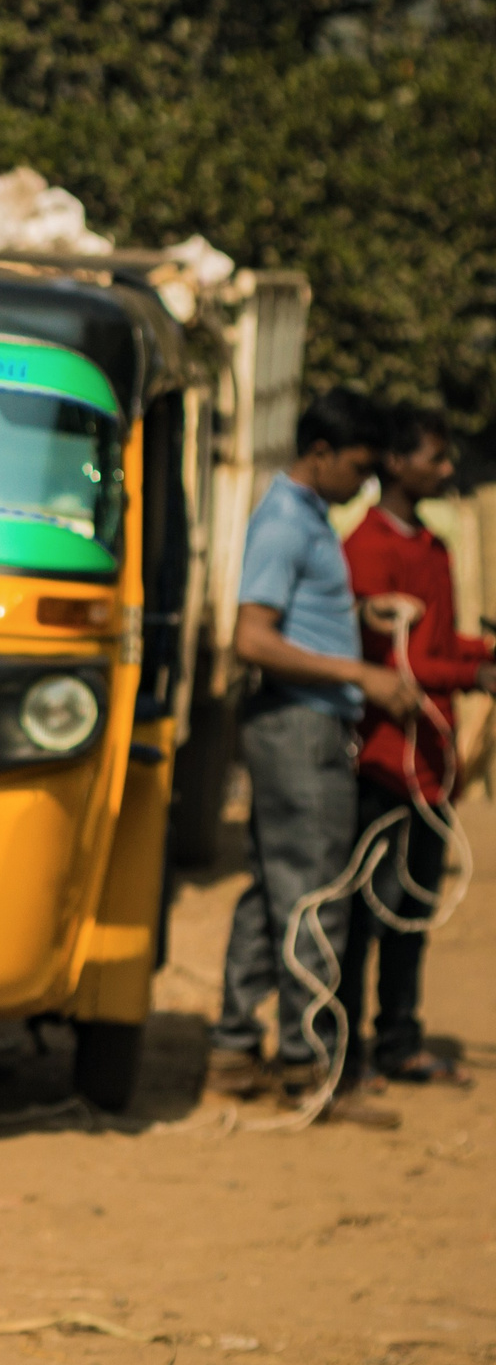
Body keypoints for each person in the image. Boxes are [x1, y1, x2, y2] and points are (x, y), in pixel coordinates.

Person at [208, 388, 419, 1126]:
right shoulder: (286, 524)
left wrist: (359, 618)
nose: (363, 483)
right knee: (316, 897)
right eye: (357, 467)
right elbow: (254, 638)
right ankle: (311, 1067)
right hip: (300, 726)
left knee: (275, 888)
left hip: (300, 723)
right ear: (320, 454)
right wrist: (360, 674)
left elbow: (294, 618)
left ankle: (236, 1051)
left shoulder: (306, 519)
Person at [339, 407, 485, 1090]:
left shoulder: (432, 545)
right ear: (396, 463)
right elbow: (397, 666)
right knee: (367, 913)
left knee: (414, 910)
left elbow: (441, 646)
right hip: (383, 758)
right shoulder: (368, 548)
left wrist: (480, 655)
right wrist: (473, 673)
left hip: (430, 762)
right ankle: (343, 1052)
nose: (446, 468)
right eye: (434, 456)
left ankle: (399, 1038)